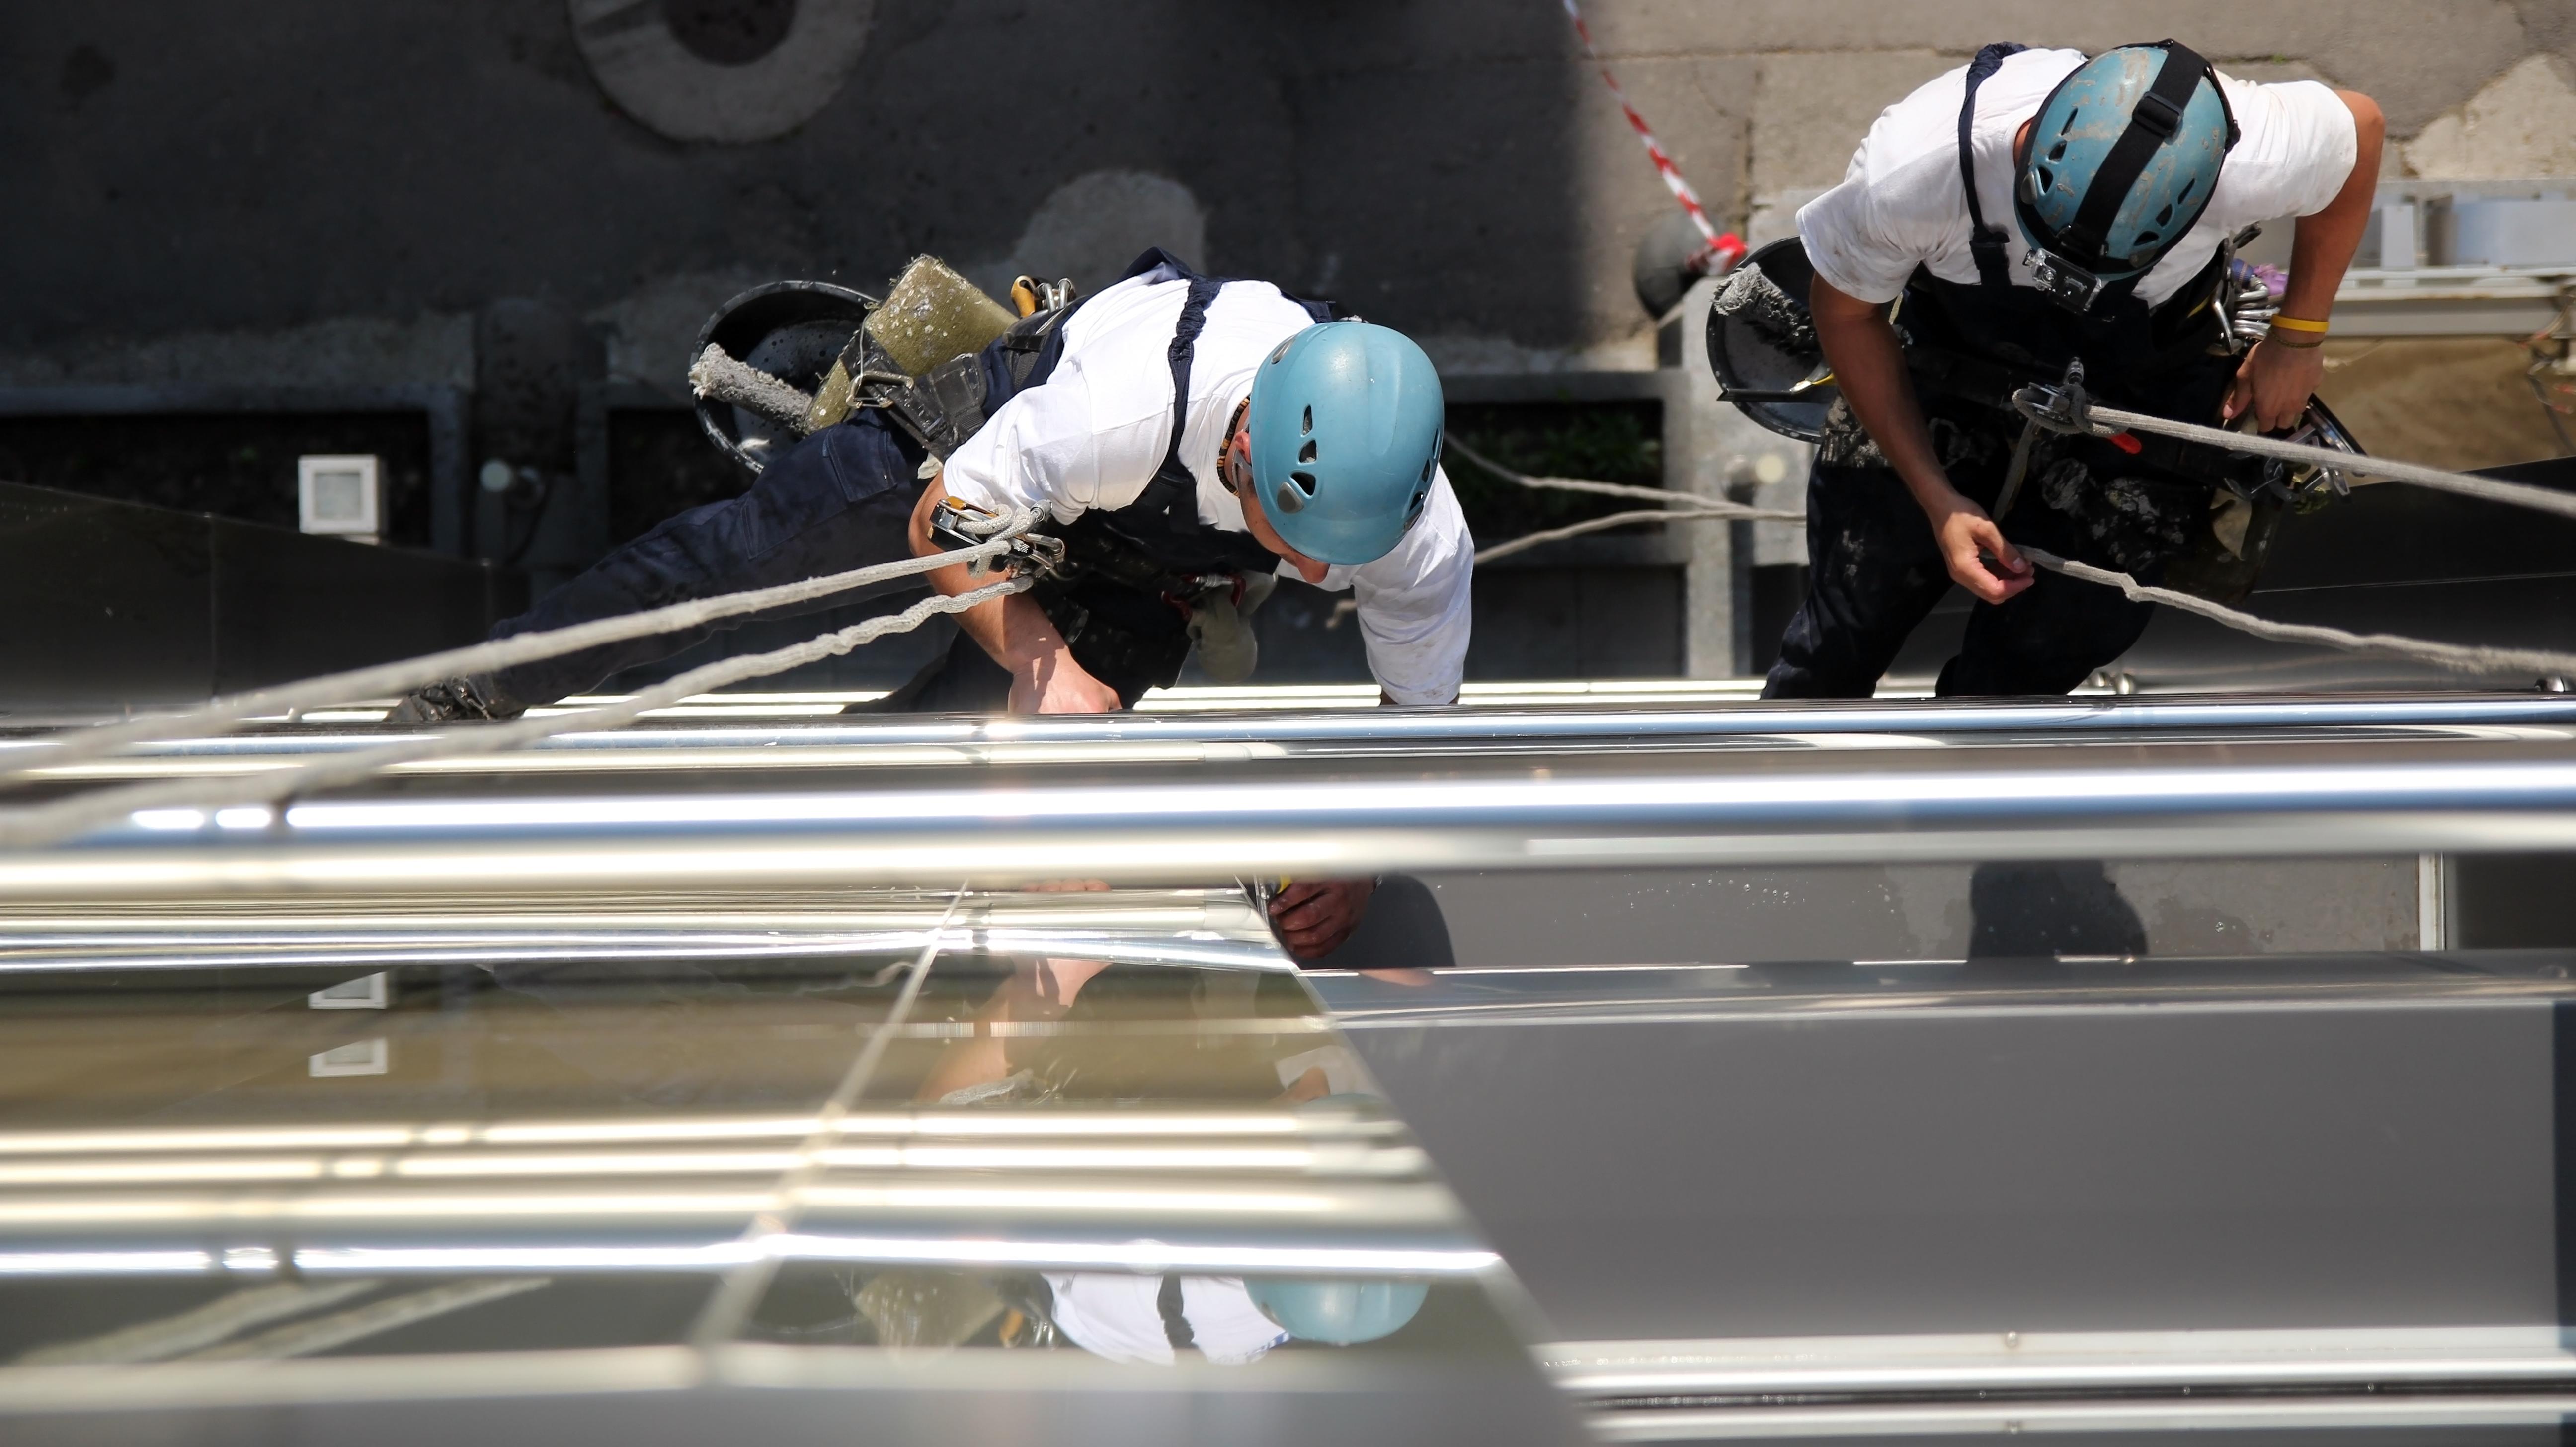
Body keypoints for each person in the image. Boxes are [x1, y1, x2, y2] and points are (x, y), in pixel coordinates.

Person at [394, 249, 1472, 957]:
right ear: (1244, 447)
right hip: (981, 456)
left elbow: (1414, 720)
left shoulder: (1417, 529)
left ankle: (793, 886)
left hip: (1148, 562)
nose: (1326, 581)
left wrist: (1360, 854)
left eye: (1343, 561)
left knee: (952, 770)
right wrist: (1045, 664)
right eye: (1300, 549)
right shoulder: (1120, 410)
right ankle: (482, 686)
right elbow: (941, 527)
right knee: (728, 567)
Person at [1764, 41, 2385, 698]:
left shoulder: (2251, 152)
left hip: (2143, 384)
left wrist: (2299, 335)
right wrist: (1936, 498)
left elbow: (2363, 130)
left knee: (2048, 650)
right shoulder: (1917, 170)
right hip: (1950, 368)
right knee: (1844, 629)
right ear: (2026, 144)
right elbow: (1848, 316)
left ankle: (1972, 780)